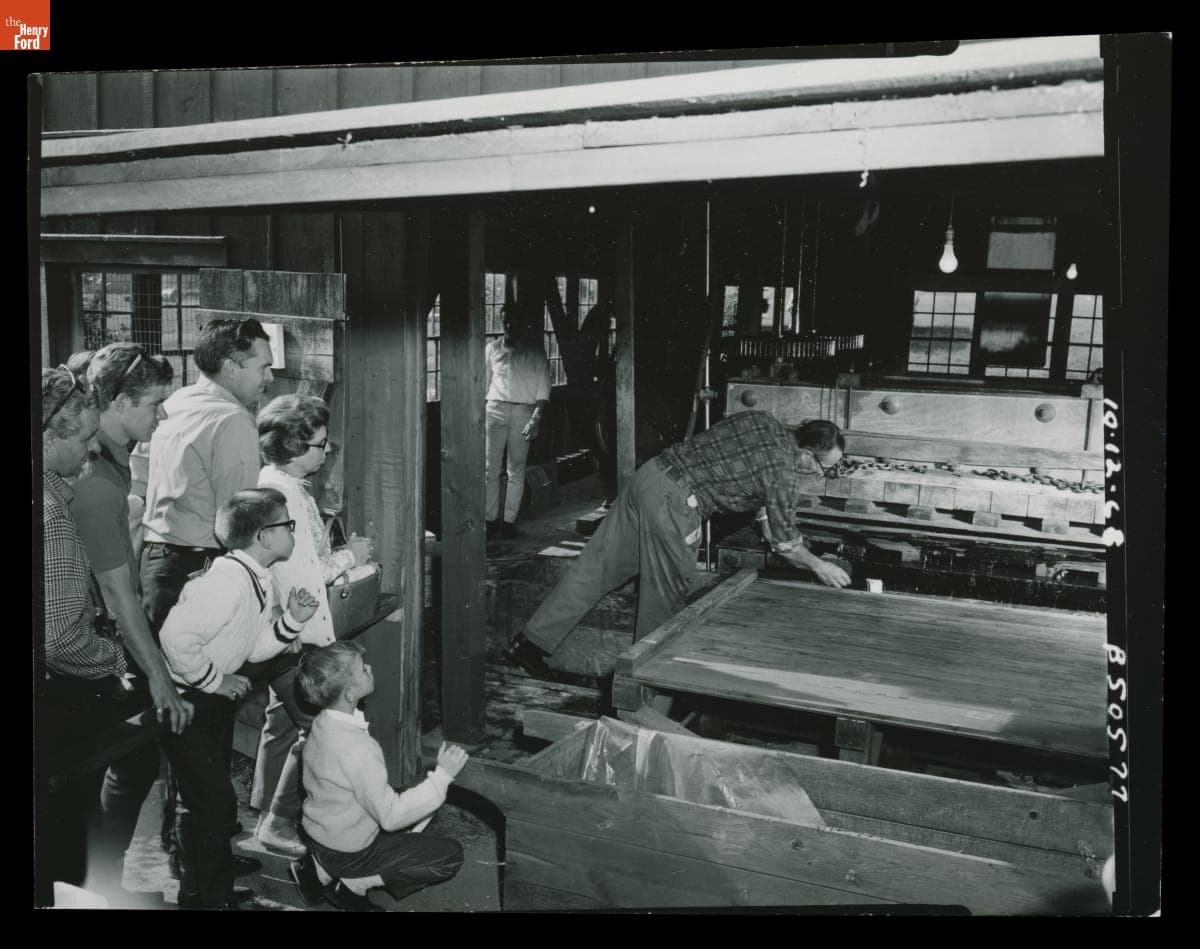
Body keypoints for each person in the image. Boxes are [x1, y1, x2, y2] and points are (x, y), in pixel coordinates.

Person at [507, 412, 852, 677]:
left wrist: (764, 517)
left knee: (595, 568)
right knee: (665, 595)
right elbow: (786, 545)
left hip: (650, 477)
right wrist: (820, 566)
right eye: (823, 468)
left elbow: (740, 465)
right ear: (806, 454)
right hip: (676, 503)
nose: (820, 475)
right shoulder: (784, 474)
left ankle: (530, 643)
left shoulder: (762, 421)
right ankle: (641, 684)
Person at [138, 317, 273, 865]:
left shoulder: (178, 406)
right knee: (206, 715)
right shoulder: (233, 421)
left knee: (180, 717)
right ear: (234, 364)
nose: (268, 375)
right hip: (201, 571)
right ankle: (206, 856)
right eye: (263, 365)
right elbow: (241, 523)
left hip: (159, 566)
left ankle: (188, 841)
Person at [39, 365, 165, 908]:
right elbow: (62, 638)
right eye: (85, 438)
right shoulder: (50, 515)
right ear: (48, 435)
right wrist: (116, 657)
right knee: (65, 835)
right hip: (54, 697)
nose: (92, 452)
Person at [159, 488, 319, 910]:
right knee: (210, 801)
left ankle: (212, 881)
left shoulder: (252, 576)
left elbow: (252, 647)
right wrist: (214, 679)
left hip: (209, 699)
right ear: (265, 537)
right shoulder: (227, 584)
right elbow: (174, 640)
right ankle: (206, 897)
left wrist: (291, 622)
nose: (293, 531)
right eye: (288, 524)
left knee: (209, 801)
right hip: (188, 702)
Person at [251, 394, 374, 857]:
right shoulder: (284, 495)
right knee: (320, 726)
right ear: (292, 446)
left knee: (280, 719)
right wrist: (352, 557)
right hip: (296, 630)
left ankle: (262, 806)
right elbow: (305, 576)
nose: (326, 453)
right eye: (320, 445)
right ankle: (277, 823)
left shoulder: (279, 483)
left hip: (278, 627)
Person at [286, 641, 467, 912]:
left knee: (420, 799)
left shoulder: (323, 722)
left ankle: (317, 870)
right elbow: (391, 817)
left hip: (319, 834)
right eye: (362, 669)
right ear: (349, 694)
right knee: (449, 856)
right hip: (350, 851)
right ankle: (350, 885)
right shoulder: (358, 747)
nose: (369, 668)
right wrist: (442, 776)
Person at [485, 301, 551, 540]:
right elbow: (485, 382)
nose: (510, 325)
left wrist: (536, 418)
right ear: (502, 322)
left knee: (516, 470)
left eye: (515, 321)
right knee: (489, 469)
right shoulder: (491, 349)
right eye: (506, 321)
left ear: (523, 323)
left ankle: (509, 522)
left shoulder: (535, 351)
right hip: (495, 410)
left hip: (524, 413)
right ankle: (490, 521)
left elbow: (544, 387)